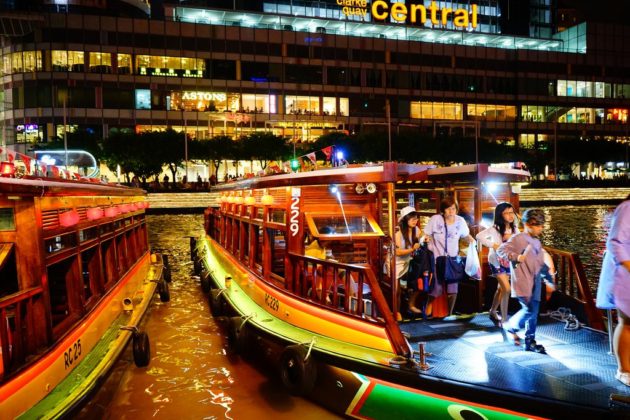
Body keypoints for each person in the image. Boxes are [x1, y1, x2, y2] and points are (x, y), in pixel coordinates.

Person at [497, 209, 548, 353]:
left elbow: (539, 262)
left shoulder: (536, 242)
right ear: (527, 224)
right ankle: (510, 326)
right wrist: (516, 257)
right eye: (536, 225)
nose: (540, 228)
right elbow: (501, 250)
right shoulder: (518, 238)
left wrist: (549, 277)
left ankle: (530, 341)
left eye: (541, 225)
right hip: (523, 281)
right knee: (529, 310)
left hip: (535, 281)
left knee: (534, 313)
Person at [596, 194, 630, 386]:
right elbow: (615, 242)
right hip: (626, 273)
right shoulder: (627, 208)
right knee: (627, 322)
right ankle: (624, 370)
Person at [424, 197, 474, 319]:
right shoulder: (435, 219)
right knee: (436, 288)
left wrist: (474, 242)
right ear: (443, 210)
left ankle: (449, 314)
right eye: (448, 208)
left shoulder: (460, 221)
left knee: (453, 289)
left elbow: (466, 236)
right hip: (437, 258)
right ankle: (427, 308)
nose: (451, 211)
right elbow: (426, 234)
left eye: (453, 208)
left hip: (453, 259)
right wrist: (425, 239)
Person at [476, 202, 519, 326]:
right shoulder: (495, 228)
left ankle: (493, 311)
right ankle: (505, 319)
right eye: (506, 213)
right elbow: (479, 236)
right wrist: (493, 245)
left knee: (501, 289)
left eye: (511, 212)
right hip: (496, 262)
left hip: (508, 262)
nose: (510, 215)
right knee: (507, 289)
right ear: (500, 215)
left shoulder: (515, 228)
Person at [395, 206, 422, 316]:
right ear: (405, 220)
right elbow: (397, 252)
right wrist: (412, 249)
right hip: (397, 263)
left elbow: (421, 239)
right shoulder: (398, 233)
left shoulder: (417, 230)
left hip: (409, 261)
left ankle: (411, 305)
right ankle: (397, 312)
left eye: (416, 218)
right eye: (412, 219)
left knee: (419, 281)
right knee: (396, 290)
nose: (415, 221)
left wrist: (425, 239)